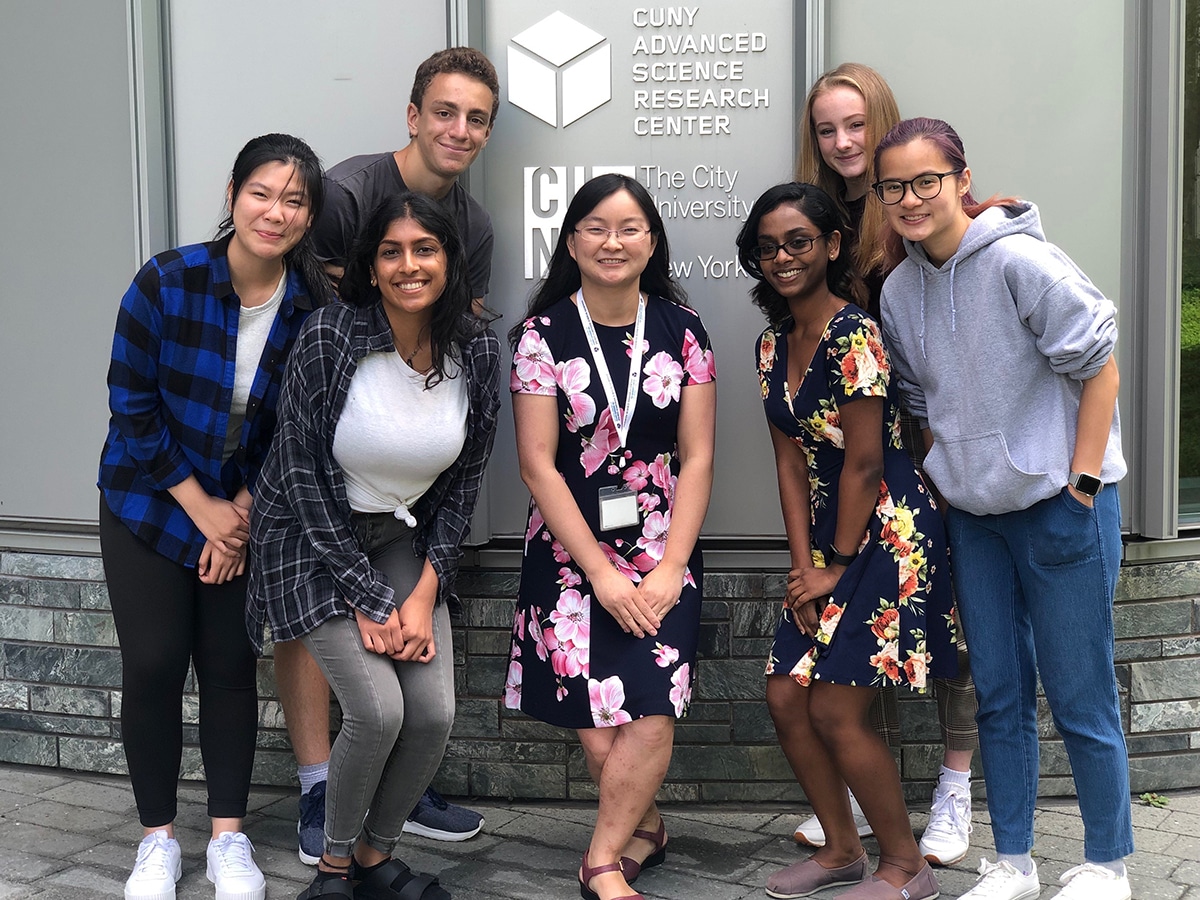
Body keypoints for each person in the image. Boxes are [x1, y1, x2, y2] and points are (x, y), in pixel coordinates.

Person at [874, 117, 1132, 900]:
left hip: (1062, 506)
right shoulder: (897, 290)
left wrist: (1081, 486)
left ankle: (1107, 864)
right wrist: (951, 485)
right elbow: (920, 405)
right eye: (896, 187)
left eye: (928, 180)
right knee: (1000, 694)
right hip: (976, 522)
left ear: (960, 179)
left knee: (1081, 691)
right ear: (882, 197)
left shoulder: (1020, 260)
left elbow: (1101, 369)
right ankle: (1014, 861)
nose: (913, 199)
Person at [247, 192, 501, 900]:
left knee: (432, 712)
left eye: (425, 249)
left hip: (400, 535)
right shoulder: (332, 333)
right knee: (378, 709)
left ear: (449, 259)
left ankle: (372, 857)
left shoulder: (476, 348)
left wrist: (422, 596)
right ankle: (331, 871)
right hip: (307, 535)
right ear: (370, 263)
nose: (409, 265)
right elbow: (299, 469)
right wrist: (364, 594)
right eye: (392, 251)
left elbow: (464, 485)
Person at [280, 47, 500, 859]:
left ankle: (380, 808)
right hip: (315, 451)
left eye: (477, 118)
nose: (459, 129)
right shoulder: (346, 194)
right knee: (349, 679)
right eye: (445, 112)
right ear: (413, 116)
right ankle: (318, 795)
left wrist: (414, 590)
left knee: (417, 712)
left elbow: (456, 377)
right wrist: (374, 597)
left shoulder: (474, 229)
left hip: (399, 499)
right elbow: (315, 315)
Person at [98, 133, 330, 900]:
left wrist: (242, 516)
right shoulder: (168, 280)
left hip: (243, 511)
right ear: (232, 195)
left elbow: (300, 426)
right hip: (149, 499)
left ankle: (229, 840)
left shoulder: (308, 307)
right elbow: (131, 403)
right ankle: (157, 840)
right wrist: (201, 509)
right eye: (262, 192)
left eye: (295, 200)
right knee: (158, 663)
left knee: (230, 669)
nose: (276, 211)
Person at [737, 182, 955, 900]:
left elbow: (864, 461)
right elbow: (788, 463)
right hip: (830, 537)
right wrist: (802, 567)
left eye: (799, 241)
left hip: (887, 528)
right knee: (783, 694)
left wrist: (831, 565)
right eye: (768, 246)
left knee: (833, 705)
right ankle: (840, 852)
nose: (783, 257)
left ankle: (906, 866)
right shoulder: (771, 344)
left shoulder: (854, 332)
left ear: (831, 245)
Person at [504, 173, 716, 900]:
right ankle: (646, 829)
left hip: (662, 542)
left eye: (629, 228)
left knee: (649, 710)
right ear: (572, 241)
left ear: (652, 241)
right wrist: (599, 572)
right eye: (596, 227)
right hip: (569, 552)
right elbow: (536, 465)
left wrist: (671, 567)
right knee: (599, 728)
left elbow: (700, 456)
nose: (612, 241)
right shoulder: (540, 336)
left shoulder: (683, 331)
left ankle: (600, 862)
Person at [793, 63, 979, 866]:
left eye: (855, 125)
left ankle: (955, 790)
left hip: (938, 449)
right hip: (864, 464)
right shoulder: (821, 219)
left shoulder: (914, 207)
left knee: (951, 629)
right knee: (879, 633)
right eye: (826, 130)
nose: (842, 143)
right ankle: (875, 805)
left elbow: (980, 242)